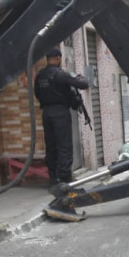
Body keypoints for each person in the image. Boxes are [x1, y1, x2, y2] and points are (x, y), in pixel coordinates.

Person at [34, 46, 88, 185]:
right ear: (58, 59)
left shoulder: (40, 75)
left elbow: (37, 93)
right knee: (64, 145)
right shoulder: (60, 74)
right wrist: (78, 76)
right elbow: (83, 84)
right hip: (60, 113)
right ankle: (64, 178)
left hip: (46, 113)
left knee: (51, 146)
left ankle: (53, 177)